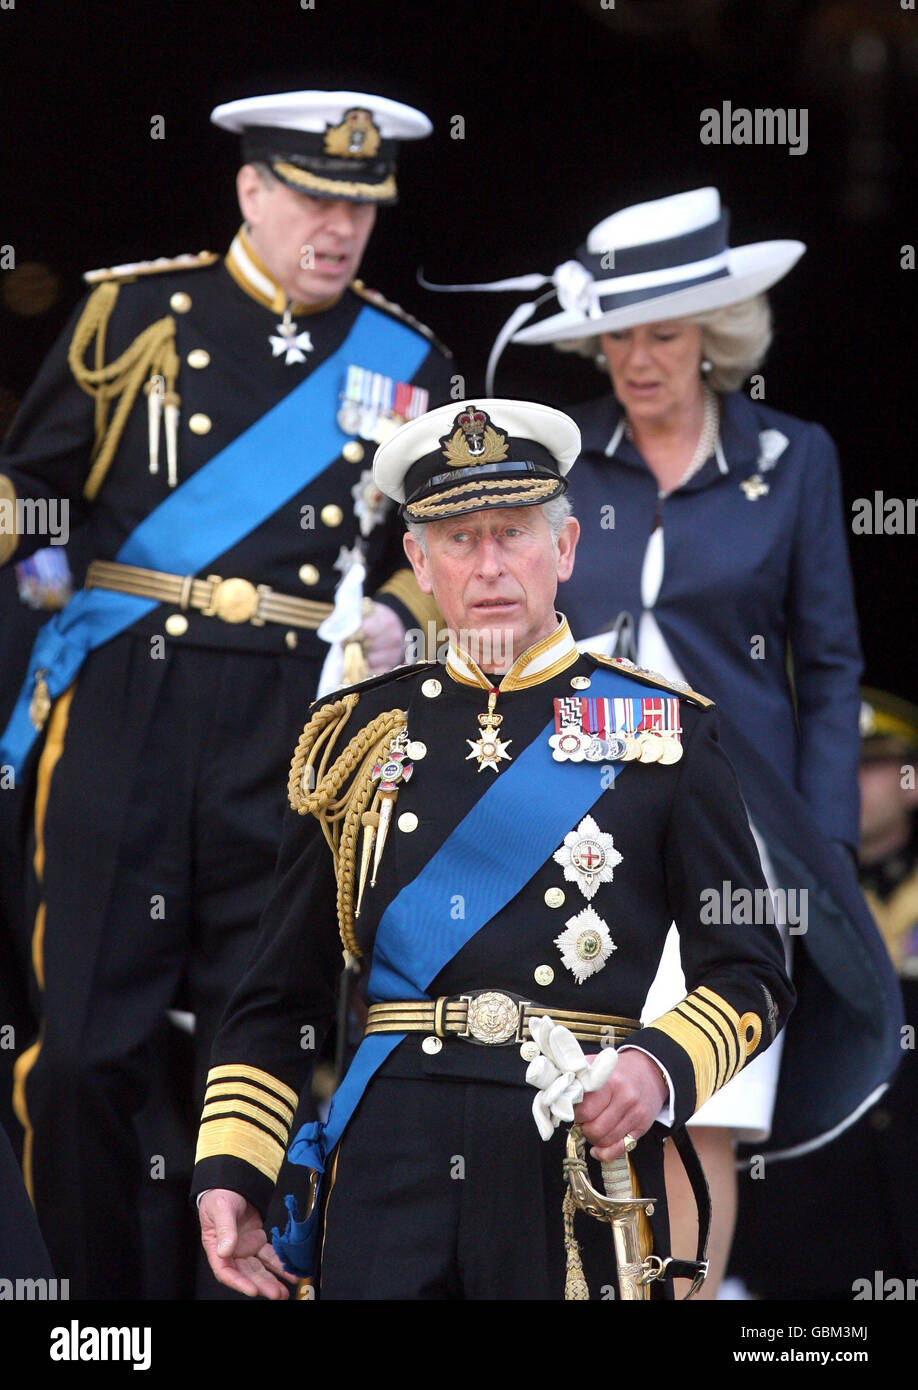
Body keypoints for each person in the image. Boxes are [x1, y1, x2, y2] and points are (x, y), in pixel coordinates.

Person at [0, 89, 454, 1300]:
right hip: (127, 706)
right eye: (314, 194)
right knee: (83, 1056)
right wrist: (43, 571)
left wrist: (402, 616)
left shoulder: (411, 363)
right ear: (248, 192)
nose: (340, 223)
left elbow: (446, 543)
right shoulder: (131, 314)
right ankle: (84, 1312)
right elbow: (29, 490)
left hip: (300, 724)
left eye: (361, 203)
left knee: (266, 1040)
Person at [191, 397, 794, 1301]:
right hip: (389, 1145)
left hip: (570, 1154)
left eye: (513, 533)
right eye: (460, 540)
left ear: (565, 550)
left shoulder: (661, 730)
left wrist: (655, 1067)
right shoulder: (353, 732)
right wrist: (232, 1168)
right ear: (420, 564)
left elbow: (749, 968)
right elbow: (281, 986)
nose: (490, 565)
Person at [441, 186, 889, 1296]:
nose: (638, 359)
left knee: (706, 1109)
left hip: (738, 834)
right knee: (556, 1099)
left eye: (665, 333)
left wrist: (824, 843)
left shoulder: (794, 456)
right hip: (563, 819)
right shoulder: (559, 458)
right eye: (619, 335)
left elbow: (828, 666)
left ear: (715, 336)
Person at [730, 688, 918, 1298]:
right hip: (809, 1227)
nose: (848, 784)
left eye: (869, 766)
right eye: (834, 767)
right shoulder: (775, 892)